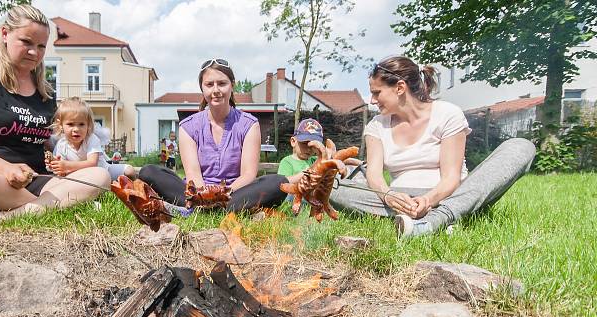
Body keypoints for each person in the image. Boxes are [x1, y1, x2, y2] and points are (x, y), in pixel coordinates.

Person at [330, 56, 536, 239]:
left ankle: (435, 220)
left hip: (450, 195)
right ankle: (432, 220)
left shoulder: (447, 114)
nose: (372, 100)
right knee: (329, 185)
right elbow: (374, 176)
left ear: (400, 88)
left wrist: (428, 200)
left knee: (520, 147)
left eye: (376, 93)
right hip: (398, 199)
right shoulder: (376, 125)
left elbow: (451, 178)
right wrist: (388, 195)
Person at [0, 4, 109, 220]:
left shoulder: (45, 92)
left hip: (38, 179)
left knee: (99, 176)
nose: (34, 52)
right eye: (26, 42)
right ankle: (58, 206)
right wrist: (6, 168)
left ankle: (5, 217)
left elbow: (48, 140)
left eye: (41, 46)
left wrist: (69, 156)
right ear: (4, 34)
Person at [139, 59, 287, 212]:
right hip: (196, 194)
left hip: (234, 194)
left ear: (232, 86)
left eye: (222, 83)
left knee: (279, 182)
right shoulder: (188, 126)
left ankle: (199, 210)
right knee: (148, 172)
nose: (216, 90)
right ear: (202, 89)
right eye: (209, 85)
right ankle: (208, 209)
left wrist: (219, 196)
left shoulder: (249, 124)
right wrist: (204, 197)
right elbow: (192, 174)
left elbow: (248, 174)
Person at [47, 97, 136, 180]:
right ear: (60, 125)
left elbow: (92, 163)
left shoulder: (91, 139)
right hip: (78, 176)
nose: (76, 129)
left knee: (129, 171)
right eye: (70, 124)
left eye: (81, 124)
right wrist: (56, 165)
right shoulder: (62, 144)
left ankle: (135, 186)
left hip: (103, 171)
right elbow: (62, 170)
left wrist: (67, 166)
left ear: (88, 125)